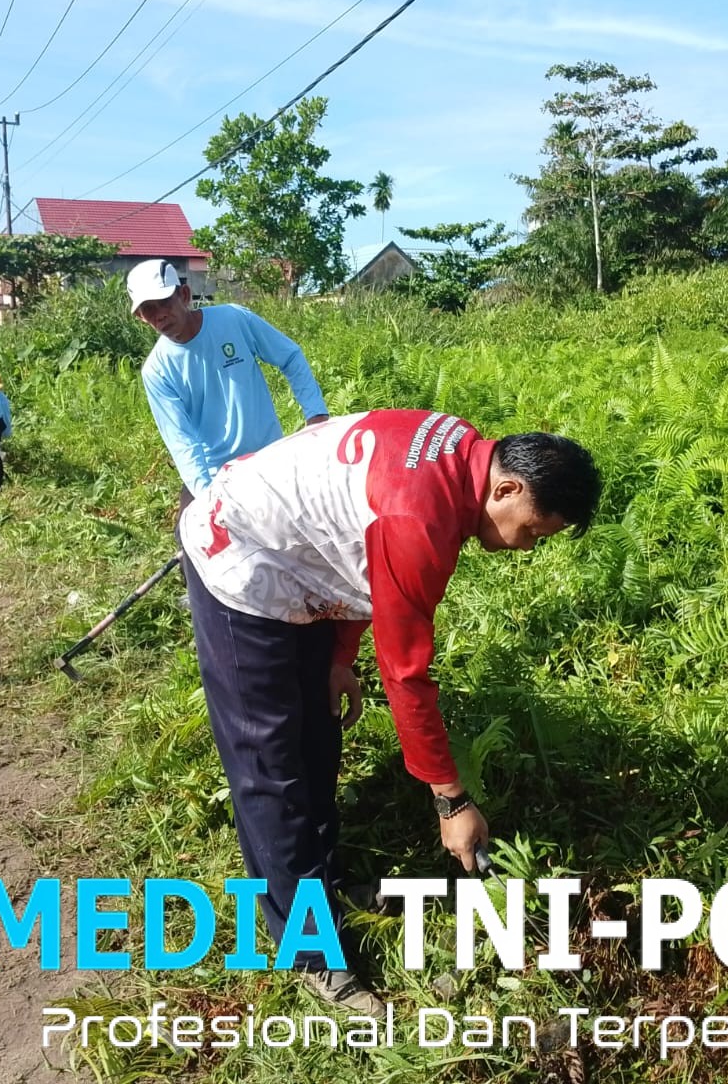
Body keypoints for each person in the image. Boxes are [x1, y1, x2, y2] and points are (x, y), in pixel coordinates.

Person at [176, 411, 601, 1013]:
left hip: (299, 559)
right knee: (270, 764)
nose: (526, 547)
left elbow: (357, 542)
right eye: (532, 531)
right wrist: (450, 800)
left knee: (318, 735)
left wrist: (340, 657)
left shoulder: (460, 455)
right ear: (506, 489)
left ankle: (320, 886)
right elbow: (405, 673)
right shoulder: (421, 516)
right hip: (240, 559)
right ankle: (309, 952)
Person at [127, 259, 328, 507]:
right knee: (190, 540)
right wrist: (208, 498)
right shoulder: (157, 371)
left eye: (165, 302)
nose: (160, 315)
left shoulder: (233, 320)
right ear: (140, 317)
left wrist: (316, 413)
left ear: (184, 295)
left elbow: (290, 356)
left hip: (270, 461)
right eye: (149, 310)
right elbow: (182, 441)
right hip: (216, 478)